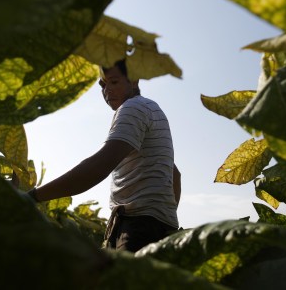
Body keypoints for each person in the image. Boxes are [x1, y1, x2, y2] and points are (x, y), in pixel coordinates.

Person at [24, 59, 181, 252]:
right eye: (102, 85)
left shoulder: (133, 108)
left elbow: (101, 165)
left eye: (114, 82)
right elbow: (174, 174)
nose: (107, 91)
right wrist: (166, 218)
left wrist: (32, 196)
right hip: (154, 225)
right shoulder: (150, 109)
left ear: (134, 80)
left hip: (139, 226)